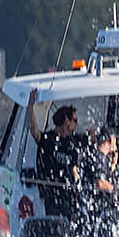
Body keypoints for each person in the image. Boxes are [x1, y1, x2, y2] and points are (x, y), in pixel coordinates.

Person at [26, 89, 81, 220]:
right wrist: (30, 106)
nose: (76, 124)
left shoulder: (71, 144)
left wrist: (78, 186)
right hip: (52, 196)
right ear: (66, 121)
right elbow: (34, 131)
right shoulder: (48, 139)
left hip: (70, 197)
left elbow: (74, 170)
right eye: (75, 120)